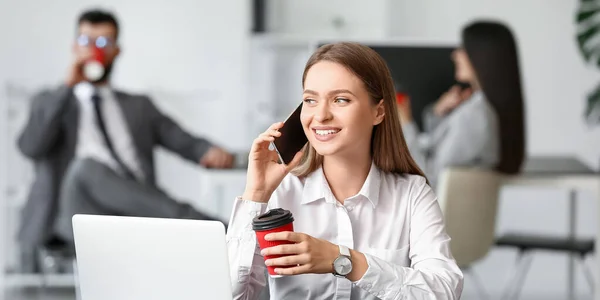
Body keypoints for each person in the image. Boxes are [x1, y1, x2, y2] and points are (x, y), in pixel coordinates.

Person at [226, 42, 463, 299]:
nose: (321, 115)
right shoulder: (280, 193)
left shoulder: (411, 194)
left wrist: (344, 260)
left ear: (379, 111)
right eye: (310, 100)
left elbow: (444, 292)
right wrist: (256, 194)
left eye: (340, 99)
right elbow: (232, 295)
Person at [16, 9, 235, 272]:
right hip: (76, 216)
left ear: (117, 50)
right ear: (74, 47)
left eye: (103, 42)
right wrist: (67, 87)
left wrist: (207, 150)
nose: (94, 50)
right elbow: (30, 147)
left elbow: (183, 140)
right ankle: (220, 231)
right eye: (86, 42)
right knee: (86, 169)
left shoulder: (138, 106)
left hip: (136, 208)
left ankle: (212, 234)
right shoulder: (51, 101)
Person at [397, 20, 526, 189]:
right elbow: (438, 152)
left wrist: (405, 124)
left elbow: (429, 177)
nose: (455, 55)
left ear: (482, 56)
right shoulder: (481, 109)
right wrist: (438, 113)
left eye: (463, 49)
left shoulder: (474, 116)